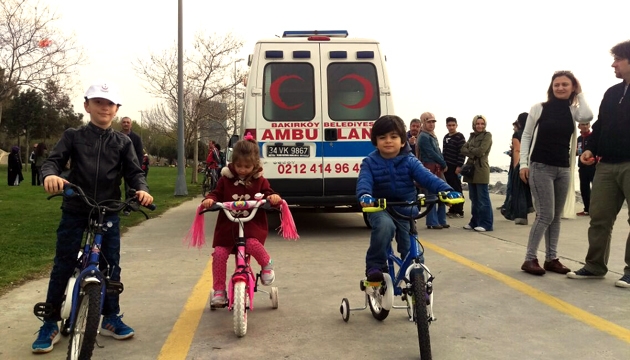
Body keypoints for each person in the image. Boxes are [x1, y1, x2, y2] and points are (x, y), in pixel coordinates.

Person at [33, 82, 153, 353]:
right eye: (98, 102)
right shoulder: (73, 135)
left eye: (110, 103)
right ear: (87, 106)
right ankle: (50, 321)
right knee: (63, 263)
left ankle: (110, 316)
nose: (104, 107)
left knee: (111, 265)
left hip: (108, 210)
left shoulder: (123, 142)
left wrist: (141, 191)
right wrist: (51, 175)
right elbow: (53, 160)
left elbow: (134, 174)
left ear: (117, 110)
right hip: (77, 206)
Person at [356, 115, 453, 282]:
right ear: (375, 141)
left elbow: (427, 178)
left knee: (410, 246)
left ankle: (418, 276)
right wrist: (365, 195)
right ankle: (375, 265)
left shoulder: (410, 161)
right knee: (384, 226)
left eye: (394, 137)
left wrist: (447, 190)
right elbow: (364, 181)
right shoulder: (370, 162)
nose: (388, 141)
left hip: (406, 206)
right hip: (380, 207)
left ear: (403, 141)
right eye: (382, 137)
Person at [567, 40, 630, 288]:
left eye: (617, 59)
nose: (613, 64)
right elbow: (600, 126)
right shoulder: (612, 92)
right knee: (599, 218)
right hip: (605, 166)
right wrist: (590, 147)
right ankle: (594, 266)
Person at [519, 71, 593, 276]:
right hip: (540, 166)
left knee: (556, 217)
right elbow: (526, 136)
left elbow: (587, 116)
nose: (560, 88)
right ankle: (530, 258)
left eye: (565, 85)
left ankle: (551, 258)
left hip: (564, 169)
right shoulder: (539, 108)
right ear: (551, 87)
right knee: (545, 215)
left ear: (572, 87)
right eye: (556, 84)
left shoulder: (572, 110)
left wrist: (580, 94)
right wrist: (523, 164)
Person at [201, 136, 280, 306]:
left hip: (251, 225)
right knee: (219, 254)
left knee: (252, 243)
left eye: (247, 166)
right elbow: (216, 193)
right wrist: (210, 200)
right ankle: (219, 290)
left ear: (255, 165)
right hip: (228, 226)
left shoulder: (259, 181)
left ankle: (267, 264)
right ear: (233, 163)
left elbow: (268, 193)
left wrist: (272, 197)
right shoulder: (225, 179)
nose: (242, 170)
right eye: (239, 166)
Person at [460, 115, 493, 232]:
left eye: (482, 124)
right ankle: (475, 221)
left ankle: (486, 223)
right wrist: (473, 150)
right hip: (470, 170)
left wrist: (471, 150)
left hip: (481, 169)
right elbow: (463, 149)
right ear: (474, 124)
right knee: (473, 198)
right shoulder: (472, 136)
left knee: (483, 198)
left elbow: (480, 152)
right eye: (478, 124)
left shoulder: (487, 136)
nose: (480, 126)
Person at [417, 112, 449, 229]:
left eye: (433, 122)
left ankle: (441, 219)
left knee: (441, 193)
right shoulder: (424, 136)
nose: (431, 124)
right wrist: (443, 163)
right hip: (429, 167)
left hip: (436, 167)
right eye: (428, 122)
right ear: (423, 122)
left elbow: (438, 151)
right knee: (431, 195)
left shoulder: (431, 135)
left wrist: (442, 162)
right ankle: (432, 221)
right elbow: (431, 153)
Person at [501, 113, 533, 225]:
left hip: (521, 164)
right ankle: (535, 211)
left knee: (520, 190)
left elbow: (517, 150)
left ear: (519, 122)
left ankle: (521, 216)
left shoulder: (517, 134)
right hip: (534, 163)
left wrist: (516, 166)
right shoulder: (533, 133)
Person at [442, 117, 466, 218]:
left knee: (457, 188)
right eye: (449, 125)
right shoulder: (446, 137)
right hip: (447, 167)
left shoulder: (459, 137)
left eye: (453, 125)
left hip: (455, 166)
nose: (451, 127)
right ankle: (452, 208)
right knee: (450, 188)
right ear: (446, 126)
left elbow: (462, 152)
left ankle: (459, 210)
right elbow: (444, 152)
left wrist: (459, 166)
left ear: (456, 125)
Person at [120, 116, 144, 206]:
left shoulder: (136, 138)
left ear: (131, 124)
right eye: (124, 122)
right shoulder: (116, 136)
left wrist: (138, 167)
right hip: (117, 166)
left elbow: (139, 154)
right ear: (121, 124)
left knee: (129, 188)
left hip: (130, 166)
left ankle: (128, 206)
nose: (126, 124)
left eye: (128, 122)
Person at [576, 122, 596, 216]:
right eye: (582, 124)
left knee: (596, 189)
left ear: (589, 125)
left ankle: (596, 210)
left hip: (593, 166)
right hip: (582, 167)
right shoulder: (579, 139)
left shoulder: (593, 137)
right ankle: (587, 209)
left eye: (586, 124)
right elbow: (578, 152)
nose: (585, 126)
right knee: (584, 189)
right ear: (578, 126)